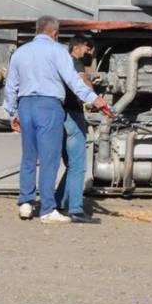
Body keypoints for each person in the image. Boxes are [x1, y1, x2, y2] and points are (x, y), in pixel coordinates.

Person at [4, 16, 111, 224]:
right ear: (54, 33)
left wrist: (12, 112)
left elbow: (11, 86)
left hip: (26, 105)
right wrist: (94, 99)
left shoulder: (20, 52)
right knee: (49, 159)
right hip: (49, 106)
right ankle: (47, 209)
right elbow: (73, 81)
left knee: (29, 156)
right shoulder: (58, 51)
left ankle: (25, 203)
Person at [57, 34, 98, 223]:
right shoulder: (75, 63)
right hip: (73, 115)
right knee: (78, 164)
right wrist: (94, 95)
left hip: (58, 114)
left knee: (69, 163)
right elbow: (83, 83)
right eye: (86, 48)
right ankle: (75, 209)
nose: (88, 52)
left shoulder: (59, 63)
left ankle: (58, 201)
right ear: (76, 48)